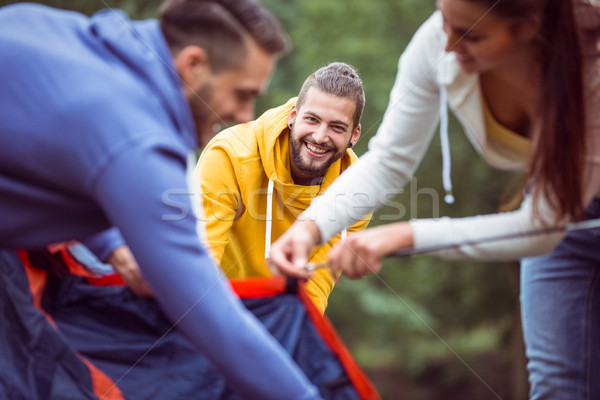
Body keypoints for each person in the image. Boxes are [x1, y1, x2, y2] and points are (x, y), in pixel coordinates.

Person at [269, 0, 600, 398]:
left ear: (529, 26)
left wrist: (402, 236)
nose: (447, 45)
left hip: (553, 213)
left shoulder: (590, 73)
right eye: (444, 21)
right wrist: (311, 226)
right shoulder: (439, 40)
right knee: (558, 385)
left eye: (471, 36)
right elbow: (389, 161)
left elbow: (543, 226)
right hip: (555, 207)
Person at [0, 1, 323, 399]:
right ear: (193, 65)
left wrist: (113, 246)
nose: (246, 116)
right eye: (243, 94)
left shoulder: (67, 34)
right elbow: (207, 314)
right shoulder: (139, 140)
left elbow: (50, 156)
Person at [196, 62, 370, 314]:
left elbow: (314, 289)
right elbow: (200, 263)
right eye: (312, 119)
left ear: (354, 135)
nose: (320, 137)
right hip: (214, 306)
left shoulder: (357, 188)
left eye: (336, 127)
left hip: (279, 316)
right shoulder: (229, 156)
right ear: (293, 115)